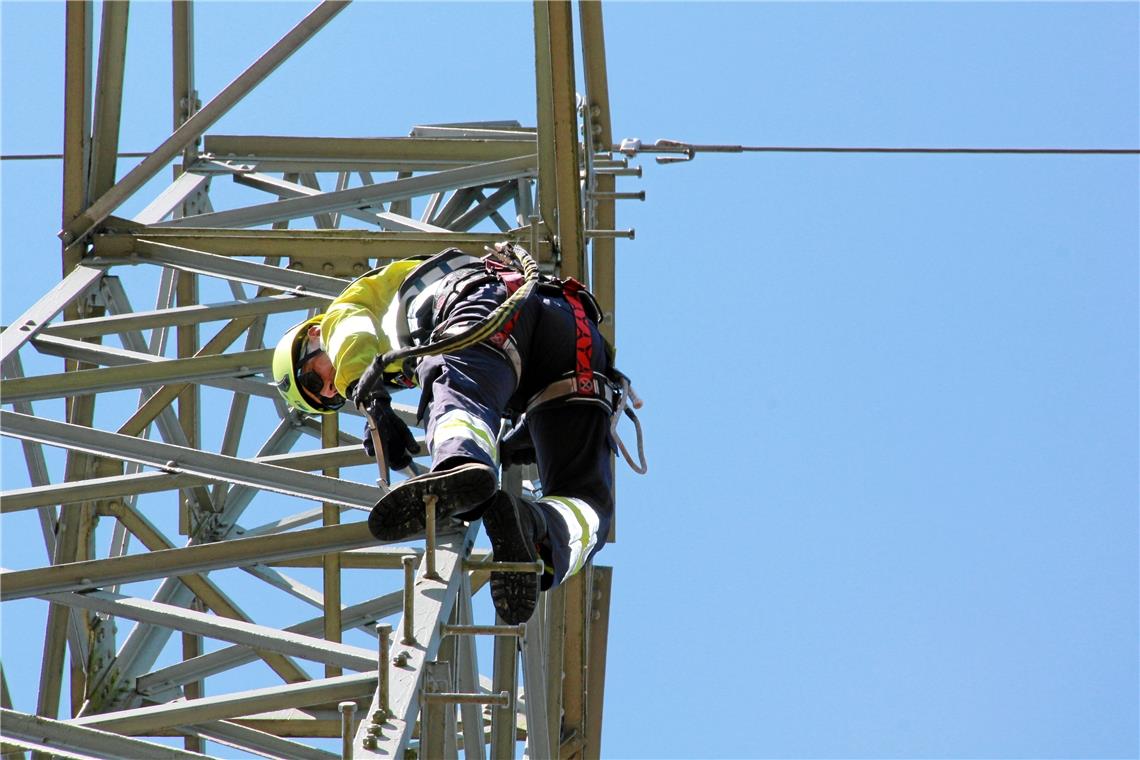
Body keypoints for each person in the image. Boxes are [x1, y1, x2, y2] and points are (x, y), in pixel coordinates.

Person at [272, 243, 626, 624]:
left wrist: (369, 396)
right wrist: (517, 442)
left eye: (314, 377)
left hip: (483, 304)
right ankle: (537, 529)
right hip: (573, 335)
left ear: (312, 336)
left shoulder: (345, 315)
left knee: (457, 391)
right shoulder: (390, 353)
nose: (330, 389)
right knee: (589, 503)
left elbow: (350, 334)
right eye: (326, 398)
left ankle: (461, 465)